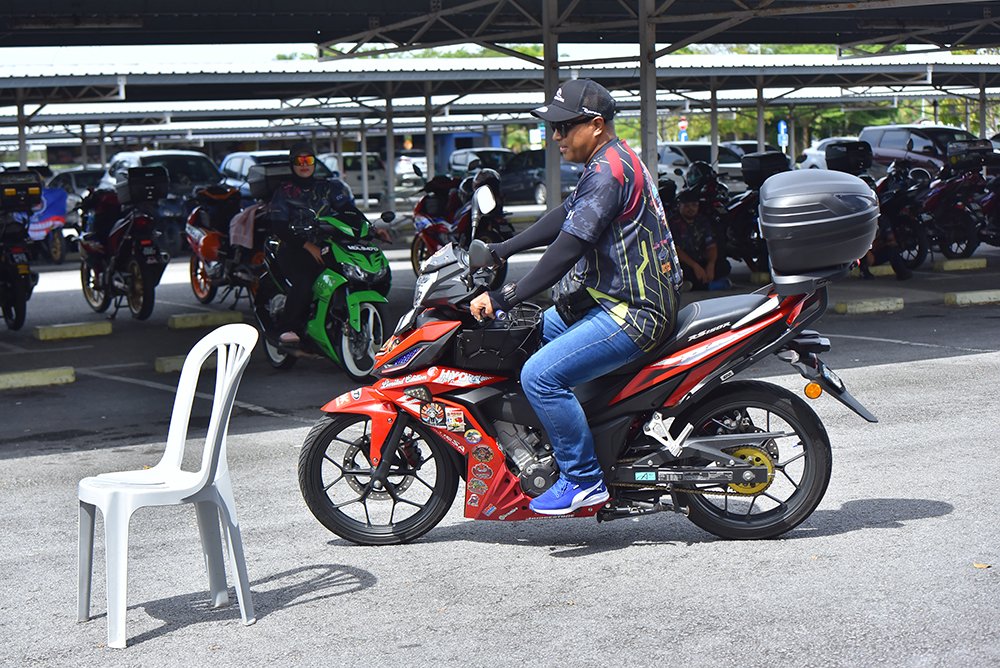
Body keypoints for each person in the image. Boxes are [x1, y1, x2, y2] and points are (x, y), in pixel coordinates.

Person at [469, 79, 682, 516]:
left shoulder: (608, 172)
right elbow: (563, 216)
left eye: (564, 127)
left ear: (596, 125)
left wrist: (506, 296)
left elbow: (567, 248)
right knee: (524, 338)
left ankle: (583, 479)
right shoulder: (607, 161)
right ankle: (559, 439)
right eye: (554, 127)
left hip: (633, 311)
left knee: (540, 376)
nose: (556, 136)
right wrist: (501, 250)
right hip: (608, 300)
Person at [267, 142, 355, 345]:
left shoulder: (329, 187)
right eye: (300, 161)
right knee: (305, 280)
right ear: (292, 164)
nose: (305, 165)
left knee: (350, 273)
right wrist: (307, 245)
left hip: (327, 245)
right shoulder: (284, 191)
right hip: (292, 248)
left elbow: (349, 211)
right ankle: (287, 327)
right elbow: (279, 228)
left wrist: (371, 228)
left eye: (309, 160)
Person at [670, 189, 731, 291]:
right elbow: (676, 250)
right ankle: (703, 285)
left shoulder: (703, 221)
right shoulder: (673, 223)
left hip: (701, 259)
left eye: (694, 205)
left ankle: (697, 285)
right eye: (687, 206)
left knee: (723, 266)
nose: (691, 209)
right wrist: (695, 266)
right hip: (685, 262)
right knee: (678, 270)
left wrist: (710, 265)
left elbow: (711, 245)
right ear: (679, 206)